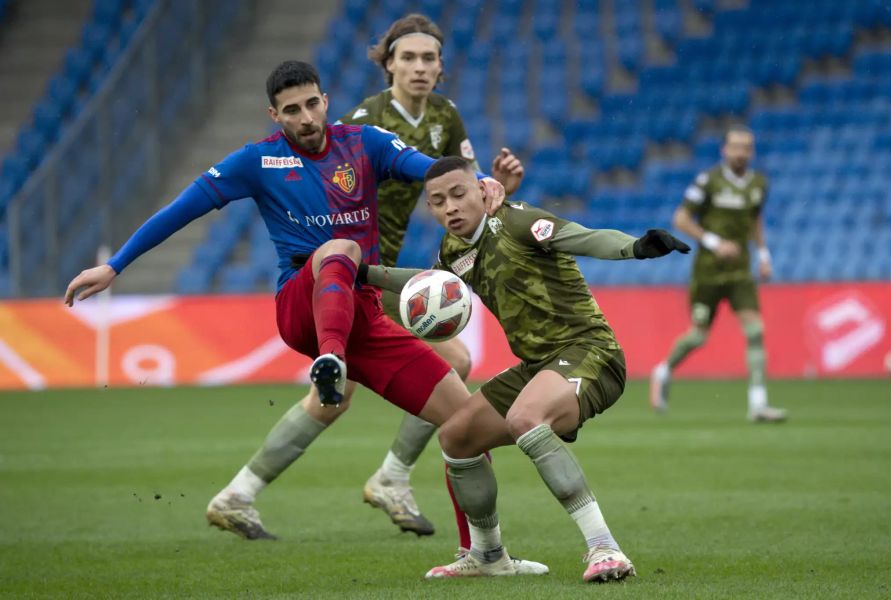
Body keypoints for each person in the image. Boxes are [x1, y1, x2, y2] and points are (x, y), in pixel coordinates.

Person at [64, 61, 547, 575]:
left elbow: (429, 170)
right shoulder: (258, 160)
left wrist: (480, 182)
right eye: (291, 110)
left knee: (465, 423)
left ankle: (486, 555)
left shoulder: (365, 144)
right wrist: (116, 265)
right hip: (301, 305)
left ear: (325, 99)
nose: (306, 116)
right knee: (338, 248)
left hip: (362, 313)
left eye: (312, 103)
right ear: (275, 115)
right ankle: (330, 362)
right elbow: (182, 209)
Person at [205, 15, 524, 547]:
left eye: (429, 59)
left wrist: (495, 190)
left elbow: (458, 188)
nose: (419, 68)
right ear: (388, 64)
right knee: (449, 368)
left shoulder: (447, 117)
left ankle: (241, 493)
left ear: (441, 67)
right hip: (353, 274)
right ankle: (391, 478)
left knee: (335, 397)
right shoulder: (361, 122)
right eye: (408, 58)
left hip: (386, 272)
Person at [357, 156, 690, 581]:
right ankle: (488, 555)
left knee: (524, 417)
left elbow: (582, 238)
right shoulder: (453, 249)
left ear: (482, 189)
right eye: (438, 202)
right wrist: (362, 274)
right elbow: (428, 285)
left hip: (590, 352)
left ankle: (605, 549)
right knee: (457, 436)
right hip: (536, 366)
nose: (450, 208)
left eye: (458, 194)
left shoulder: (517, 222)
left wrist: (635, 248)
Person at [649, 125, 787, 422]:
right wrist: (713, 242)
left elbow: (755, 221)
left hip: (740, 272)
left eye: (747, 147)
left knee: (755, 331)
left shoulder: (759, 183)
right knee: (698, 336)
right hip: (708, 273)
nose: (741, 153)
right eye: (736, 147)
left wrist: (764, 255)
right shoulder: (708, 181)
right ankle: (663, 371)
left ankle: (758, 403)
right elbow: (681, 218)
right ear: (724, 150)